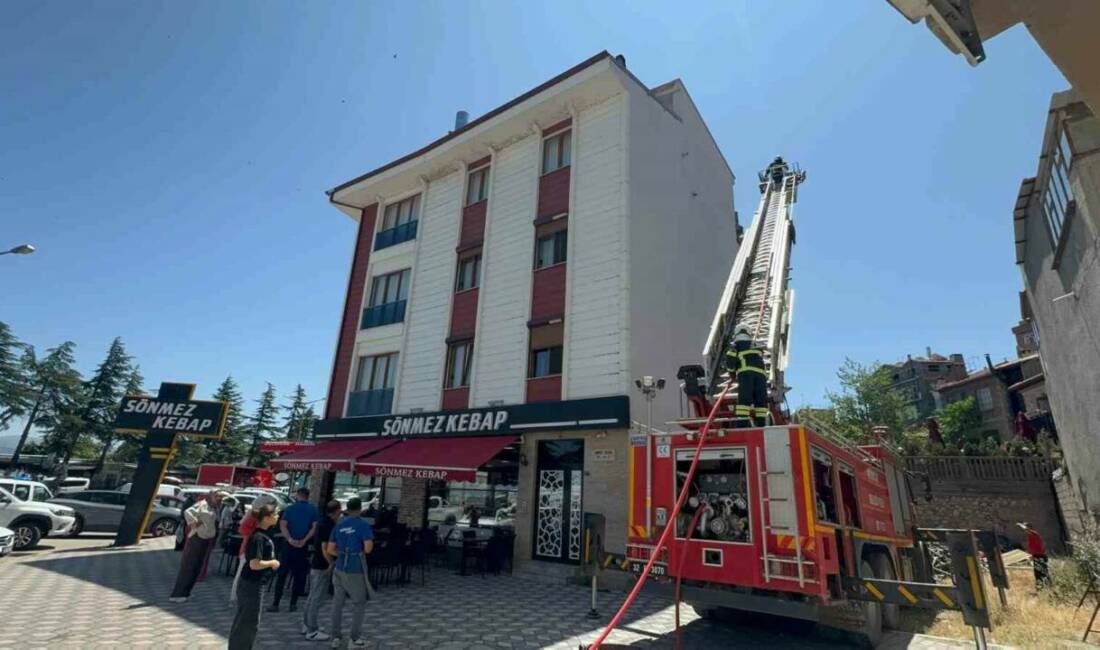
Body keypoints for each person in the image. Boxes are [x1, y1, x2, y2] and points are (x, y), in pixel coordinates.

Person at [228, 504, 280, 650]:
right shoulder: (258, 537)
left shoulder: (265, 534)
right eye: (275, 514)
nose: (277, 517)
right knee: (247, 621)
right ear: (267, 517)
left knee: (247, 620)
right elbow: (254, 564)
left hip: (254, 584)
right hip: (251, 584)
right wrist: (272, 562)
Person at [327, 497, 375, 648]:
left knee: (337, 603)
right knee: (359, 603)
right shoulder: (362, 525)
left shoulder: (339, 525)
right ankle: (354, 639)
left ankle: (335, 637)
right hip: (355, 568)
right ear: (360, 509)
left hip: (339, 566)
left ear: (346, 509)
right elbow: (368, 548)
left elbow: (330, 549)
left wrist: (342, 553)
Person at [170, 489, 226, 602]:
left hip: (206, 539)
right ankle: (177, 594)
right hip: (197, 538)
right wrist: (194, 522)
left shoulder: (213, 508)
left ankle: (186, 593)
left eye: (220, 497)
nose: (219, 499)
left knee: (196, 567)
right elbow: (187, 512)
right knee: (189, 567)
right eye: (217, 496)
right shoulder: (202, 504)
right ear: (211, 496)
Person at [268, 487, 319, 613]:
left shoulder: (290, 508)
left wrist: (289, 538)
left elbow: (283, 525)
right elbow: (314, 528)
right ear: (308, 496)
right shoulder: (313, 510)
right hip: (303, 547)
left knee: (282, 574)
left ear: (298, 495)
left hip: (288, 545)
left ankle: (275, 603)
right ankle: (293, 604)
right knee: (298, 575)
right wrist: (305, 540)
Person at [302, 500, 342, 641]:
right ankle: (312, 629)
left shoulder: (320, 523)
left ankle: (307, 624)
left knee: (312, 595)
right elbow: (325, 548)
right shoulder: (328, 526)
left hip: (315, 562)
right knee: (317, 597)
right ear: (337, 511)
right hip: (322, 565)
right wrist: (331, 563)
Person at [726, 323, 769, 427]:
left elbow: (730, 359)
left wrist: (731, 372)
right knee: (760, 400)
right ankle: (761, 423)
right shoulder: (755, 345)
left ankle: (742, 424)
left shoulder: (736, 345)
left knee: (745, 398)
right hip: (761, 376)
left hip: (746, 374)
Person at [1019, 521, 1050, 587]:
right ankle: (1041, 586)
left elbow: (1027, 530)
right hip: (1036, 555)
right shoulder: (1031, 536)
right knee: (1037, 572)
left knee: (1042, 572)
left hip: (1040, 555)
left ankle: (1047, 586)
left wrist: (1021, 525)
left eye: (1026, 528)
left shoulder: (1034, 534)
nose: (1025, 531)